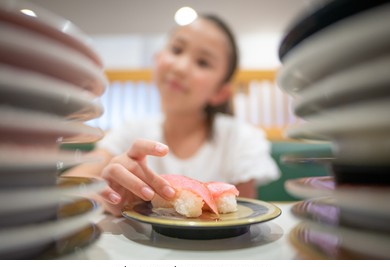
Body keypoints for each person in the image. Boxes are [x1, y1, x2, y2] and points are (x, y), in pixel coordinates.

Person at [66, 14, 280, 216]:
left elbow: (240, 219)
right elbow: (69, 186)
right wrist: (107, 199)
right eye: (177, 50)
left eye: (203, 62)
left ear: (220, 92)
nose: (180, 67)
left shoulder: (241, 138)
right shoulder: (132, 130)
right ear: (157, 58)